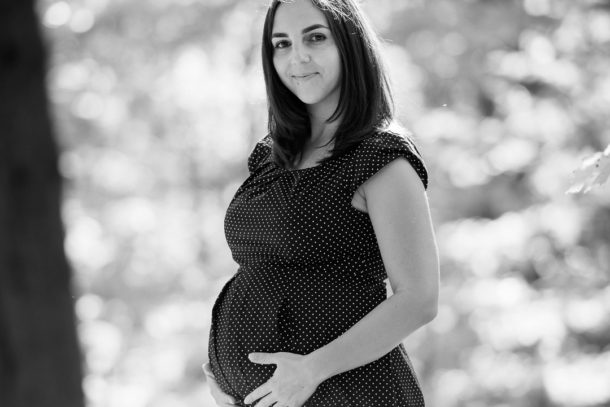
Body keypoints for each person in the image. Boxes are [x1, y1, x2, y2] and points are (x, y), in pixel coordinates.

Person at [203, 0, 439, 405]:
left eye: (315, 37)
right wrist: (227, 376)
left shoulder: (382, 159)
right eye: (282, 43)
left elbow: (419, 300)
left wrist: (312, 369)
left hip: (351, 394)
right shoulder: (272, 156)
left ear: (350, 43)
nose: (297, 57)